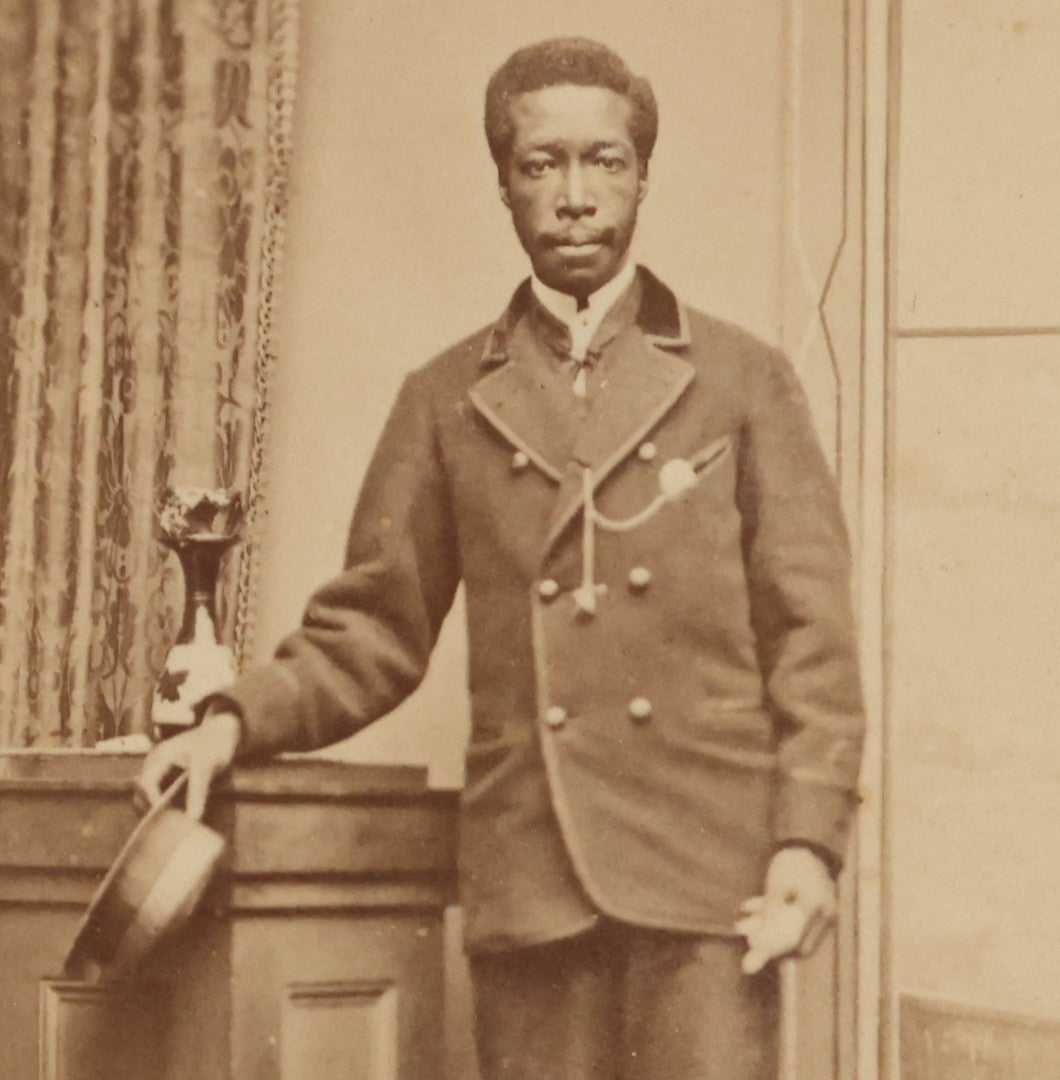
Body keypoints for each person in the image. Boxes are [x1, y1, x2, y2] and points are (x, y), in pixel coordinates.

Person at [138, 37, 864, 1080]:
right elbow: (369, 631)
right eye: (542, 165)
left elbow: (816, 644)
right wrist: (230, 723)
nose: (574, 196)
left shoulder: (743, 381)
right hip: (533, 877)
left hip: (709, 876)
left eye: (604, 161)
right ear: (505, 186)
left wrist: (806, 844)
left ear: (642, 176)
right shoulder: (443, 399)